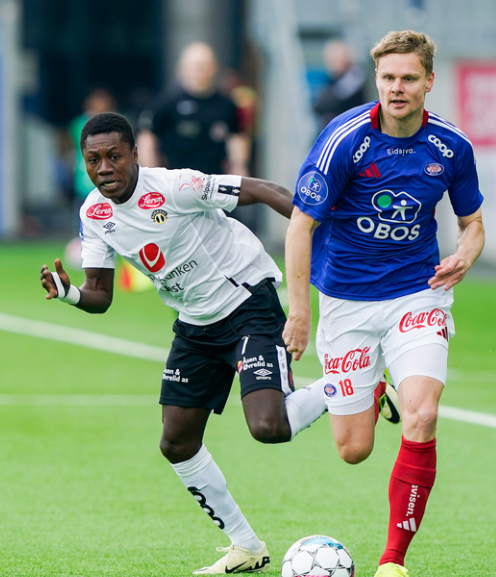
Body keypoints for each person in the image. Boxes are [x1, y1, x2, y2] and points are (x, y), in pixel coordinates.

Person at [40, 112, 329, 575]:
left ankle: (350, 383)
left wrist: (319, 230)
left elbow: (262, 190)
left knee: (268, 427)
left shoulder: (176, 186)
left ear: (135, 154)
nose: (104, 168)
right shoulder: (93, 214)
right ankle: (247, 546)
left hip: (247, 302)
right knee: (176, 442)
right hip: (195, 324)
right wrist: (69, 292)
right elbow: (100, 297)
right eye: (93, 160)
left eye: (114, 156)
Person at [283, 30, 485, 577]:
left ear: (429, 82)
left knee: (422, 414)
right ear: (377, 79)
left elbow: (472, 226)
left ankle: (393, 560)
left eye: (409, 78)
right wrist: (299, 311)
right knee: (353, 451)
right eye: (389, 78)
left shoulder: (451, 147)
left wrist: (466, 254)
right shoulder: (344, 139)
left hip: (419, 292)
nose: (398, 88)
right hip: (346, 300)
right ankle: (373, 388)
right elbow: (300, 227)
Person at [137, 42, 259, 233]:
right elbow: (147, 136)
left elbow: (237, 136)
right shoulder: (168, 101)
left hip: (214, 183)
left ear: (214, 68)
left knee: (225, 235)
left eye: (205, 65)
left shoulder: (226, 104)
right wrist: (151, 174)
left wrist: (240, 165)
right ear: (182, 69)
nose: (201, 71)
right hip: (176, 186)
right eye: (196, 66)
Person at [312, 39, 369, 131]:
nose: (330, 64)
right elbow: (317, 106)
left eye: (333, 59)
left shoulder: (355, 76)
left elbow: (334, 100)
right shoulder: (332, 81)